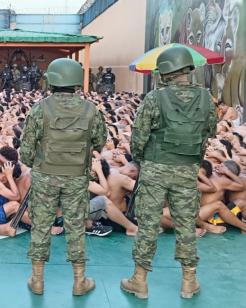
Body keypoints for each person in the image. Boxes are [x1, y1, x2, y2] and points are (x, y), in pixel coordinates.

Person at [120, 46, 217, 299]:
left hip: (154, 167)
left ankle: (139, 281)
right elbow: (208, 132)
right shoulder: (206, 97)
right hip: (187, 169)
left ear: (164, 71)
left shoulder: (154, 98)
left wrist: (143, 161)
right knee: (186, 225)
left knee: (148, 225)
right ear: (187, 69)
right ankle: (189, 281)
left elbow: (139, 137)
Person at [20, 58, 106, 296]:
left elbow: (26, 152)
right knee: (76, 226)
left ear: (53, 80)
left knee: (41, 226)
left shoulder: (40, 109)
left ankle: (37, 280)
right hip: (77, 177)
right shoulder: (91, 110)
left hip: (45, 175)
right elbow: (99, 142)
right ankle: (79, 281)